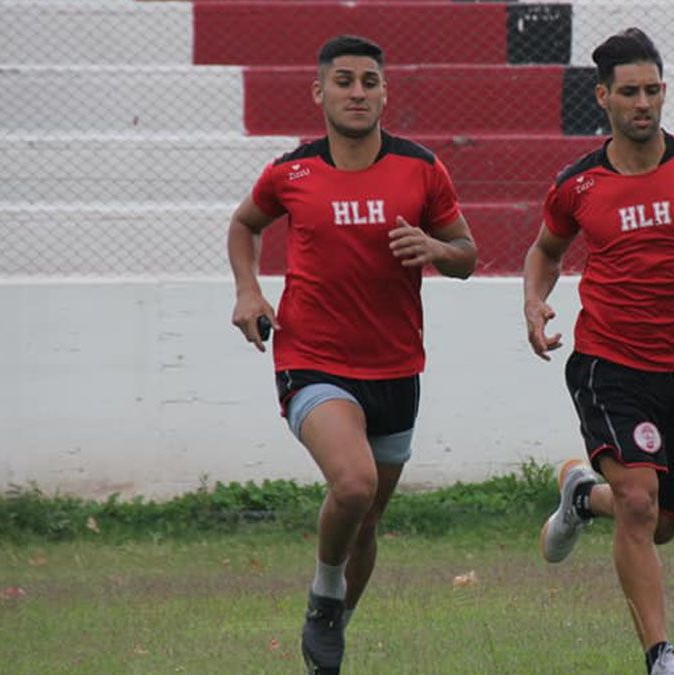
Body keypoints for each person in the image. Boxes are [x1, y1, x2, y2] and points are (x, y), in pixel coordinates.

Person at [523, 28, 674, 675]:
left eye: (653, 90)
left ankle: (582, 495)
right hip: (609, 360)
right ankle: (661, 657)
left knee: (658, 521)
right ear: (602, 96)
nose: (643, 102)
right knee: (638, 501)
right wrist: (534, 300)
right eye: (629, 92)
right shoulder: (578, 184)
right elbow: (546, 252)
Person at [226, 35, 477, 675]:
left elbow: (467, 256)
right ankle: (323, 596)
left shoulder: (422, 169)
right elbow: (244, 225)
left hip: (396, 367)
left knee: (366, 522)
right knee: (354, 484)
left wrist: (437, 250)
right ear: (320, 92)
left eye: (370, 80)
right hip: (311, 357)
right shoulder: (292, 172)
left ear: (385, 92)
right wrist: (249, 288)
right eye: (344, 81)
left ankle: (325, 646)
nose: (358, 91)